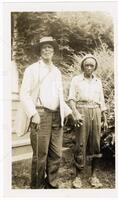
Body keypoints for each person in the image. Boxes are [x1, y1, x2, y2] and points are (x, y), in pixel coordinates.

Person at [19, 36, 72, 189]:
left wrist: (68, 112)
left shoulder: (57, 71)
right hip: (40, 115)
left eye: (50, 47)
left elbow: (59, 97)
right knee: (40, 155)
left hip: (57, 116)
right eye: (44, 48)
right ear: (40, 51)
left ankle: (51, 184)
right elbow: (24, 94)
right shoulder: (32, 69)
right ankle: (36, 187)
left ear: (53, 51)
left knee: (56, 154)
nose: (47, 50)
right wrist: (33, 113)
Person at [68, 54, 108, 188]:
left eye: (92, 65)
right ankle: (78, 177)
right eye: (87, 65)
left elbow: (101, 100)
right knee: (80, 143)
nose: (89, 67)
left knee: (96, 143)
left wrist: (105, 118)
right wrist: (76, 113)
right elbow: (71, 98)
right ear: (83, 66)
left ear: (95, 67)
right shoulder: (76, 80)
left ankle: (94, 176)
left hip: (96, 112)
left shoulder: (98, 81)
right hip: (82, 111)